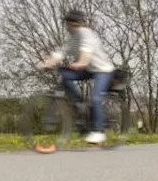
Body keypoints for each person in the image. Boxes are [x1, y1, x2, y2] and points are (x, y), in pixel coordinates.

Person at [36, 10, 115, 144]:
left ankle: (99, 132)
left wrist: (80, 63)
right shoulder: (74, 36)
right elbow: (61, 53)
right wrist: (47, 64)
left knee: (95, 98)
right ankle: (79, 104)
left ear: (73, 23)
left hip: (103, 70)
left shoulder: (86, 34)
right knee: (64, 74)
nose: (67, 26)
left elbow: (85, 54)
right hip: (89, 69)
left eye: (68, 24)